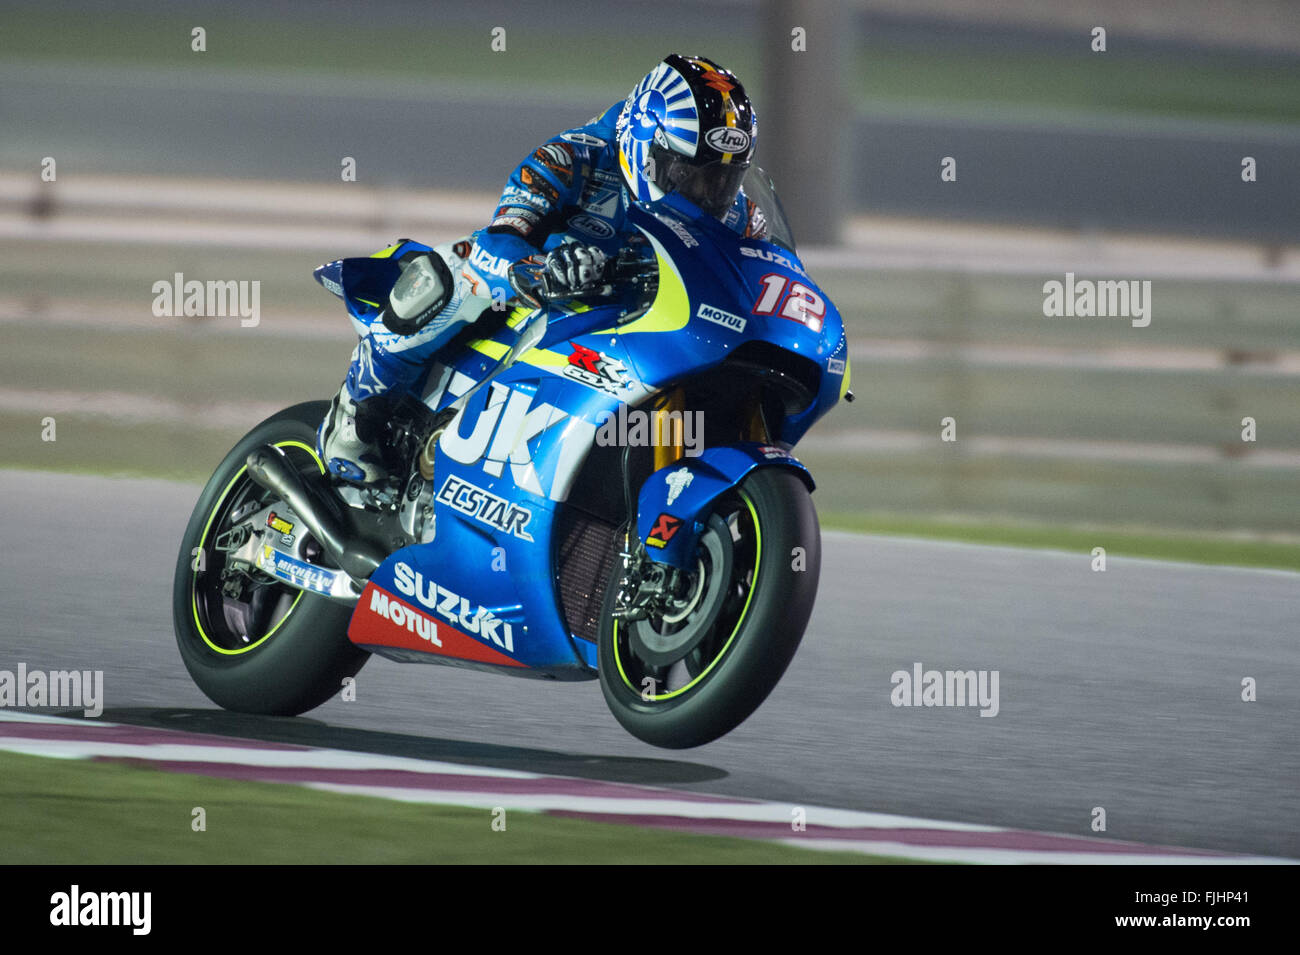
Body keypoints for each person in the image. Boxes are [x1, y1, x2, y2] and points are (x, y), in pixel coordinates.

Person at [318, 53, 767, 485]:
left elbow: (764, 275)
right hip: (538, 301)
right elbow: (501, 235)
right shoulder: (575, 157)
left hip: (640, 328)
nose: (705, 195)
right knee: (454, 266)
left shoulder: (739, 215)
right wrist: (542, 267)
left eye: (721, 180)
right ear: (642, 144)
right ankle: (355, 416)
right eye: (686, 175)